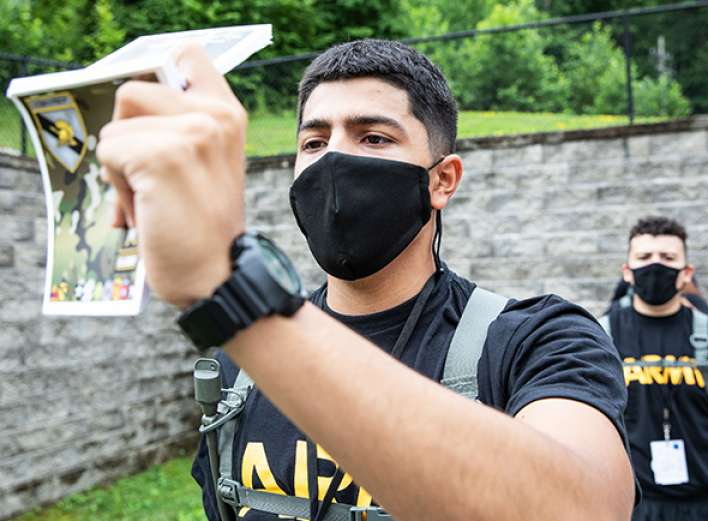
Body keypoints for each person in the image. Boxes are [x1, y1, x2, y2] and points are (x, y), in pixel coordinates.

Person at [96, 39, 636, 521]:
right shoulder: (241, 365)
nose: (334, 159)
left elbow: (586, 507)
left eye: (373, 138)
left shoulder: (535, 342)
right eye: (313, 142)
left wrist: (233, 290)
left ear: (442, 180)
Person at [600, 215, 708, 521]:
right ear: (627, 272)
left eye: (668, 258)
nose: (655, 265)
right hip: (631, 506)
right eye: (644, 257)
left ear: (686, 272)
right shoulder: (599, 339)